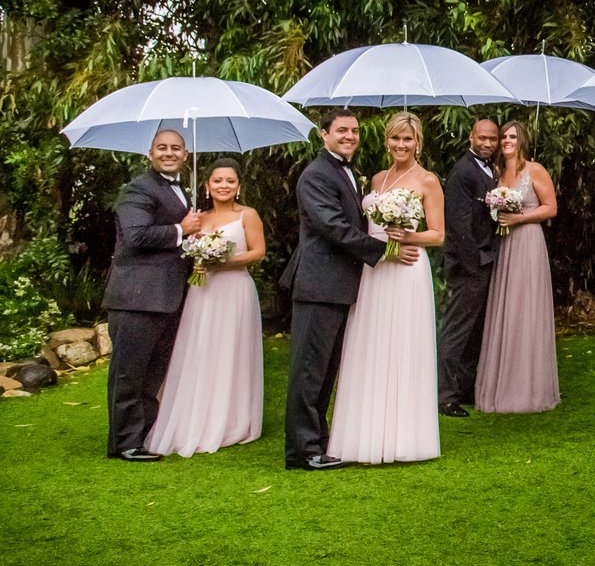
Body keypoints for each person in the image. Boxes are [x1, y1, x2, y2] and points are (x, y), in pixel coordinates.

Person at [282, 108, 401, 471]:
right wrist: (384, 249)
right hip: (318, 283)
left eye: (355, 131)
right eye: (342, 130)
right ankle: (302, 452)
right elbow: (333, 226)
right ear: (324, 134)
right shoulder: (316, 175)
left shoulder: (346, 172)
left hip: (337, 284)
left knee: (324, 370)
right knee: (309, 371)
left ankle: (317, 442)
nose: (350, 136)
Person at [327, 111, 443, 465]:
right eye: (395, 138)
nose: (400, 145)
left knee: (403, 345)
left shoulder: (427, 180)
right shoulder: (377, 178)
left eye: (407, 139)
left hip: (407, 268)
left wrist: (407, 236)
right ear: (386, 140)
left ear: (418, 142)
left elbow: (438, 235)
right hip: (375, 268)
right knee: (370, 344)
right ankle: (366, 430)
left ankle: (404, 436)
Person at [145, 158, 266, 457]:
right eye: (217, 181)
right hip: (202, 292)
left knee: (230, 350)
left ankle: (230, 420)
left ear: (239, 186)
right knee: (200, 349)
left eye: (230, 181)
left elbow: (258, 252)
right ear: (207, 186)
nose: (224, 186)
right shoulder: (196, 218)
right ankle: (194, 415)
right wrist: (198, 255)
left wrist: (223, 260)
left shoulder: (247, 215)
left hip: (235, 291)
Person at [102, 128, 204, 461]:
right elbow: (135, 236)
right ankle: (124, 444)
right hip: (137, 297)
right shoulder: (138, 188)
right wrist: (181, 230)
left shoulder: (181, 191)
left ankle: (143, 435)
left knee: (152, 374)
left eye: (176, 148)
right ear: (150, 153)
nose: (169, 153)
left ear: (185, 156)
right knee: (129, 374)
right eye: (162, 148)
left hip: (167, 297)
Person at [474, 120, 561, 413]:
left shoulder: (535, 170)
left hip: (528, 241)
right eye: (503, 137)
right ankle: (502, 384)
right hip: (505, 243)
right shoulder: (497, 173)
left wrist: (519, 218)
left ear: (522, 139)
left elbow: (551, 207)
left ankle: (529, 388)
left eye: (512, 136)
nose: (507, 141)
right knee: (506, 305)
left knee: (526, 307)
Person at [438, 119, 499, 417]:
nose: (487, 143)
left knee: (475, 331)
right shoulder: (463, 172)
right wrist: (473, 265)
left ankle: (464, 388)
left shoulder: (491, 170)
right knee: (457, 330)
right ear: (470, 137)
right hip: (467, 266)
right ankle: (444, 396)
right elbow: (459, 226)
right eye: (482, 138)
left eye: (492, 139)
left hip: (485, 261)